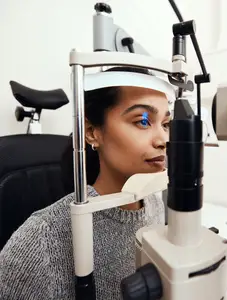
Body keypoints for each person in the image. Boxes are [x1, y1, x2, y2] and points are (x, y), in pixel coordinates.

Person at [0, 67, 171, 299]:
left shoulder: (155, 204)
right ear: (91, 132)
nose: (163, 139)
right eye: (142, 121)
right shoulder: (41, 242)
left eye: (166, 124)